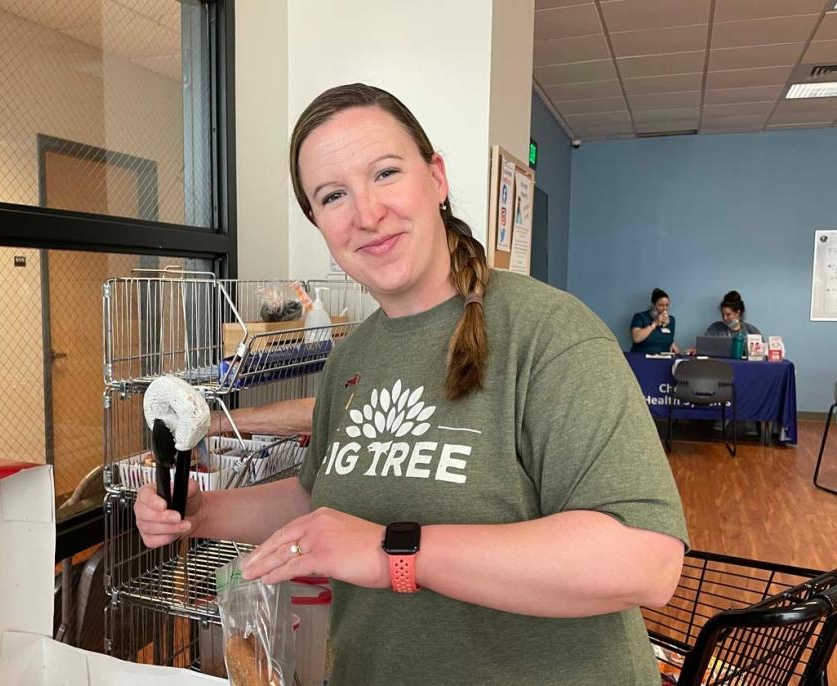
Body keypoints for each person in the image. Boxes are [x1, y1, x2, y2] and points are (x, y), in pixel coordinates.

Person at [135, 83, 688, 686]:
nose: (367, 214)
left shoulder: (550, 333)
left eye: (386, 173)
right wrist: (201, 512)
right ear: (318, 222)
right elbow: (323, 496)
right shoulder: (355, 355)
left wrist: (390, 553)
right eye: (333, 196)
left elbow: (645, 560)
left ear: (437, 178)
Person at [630, 287, 679, 354]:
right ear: (653, 305)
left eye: (667, 305)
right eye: (661, 305)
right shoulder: (640, 317)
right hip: (642, 356)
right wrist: (655, 323)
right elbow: (636, 338)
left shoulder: (671, 320)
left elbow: (667, 339)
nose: (664, 308)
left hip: (663, 358)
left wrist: (672, 345)